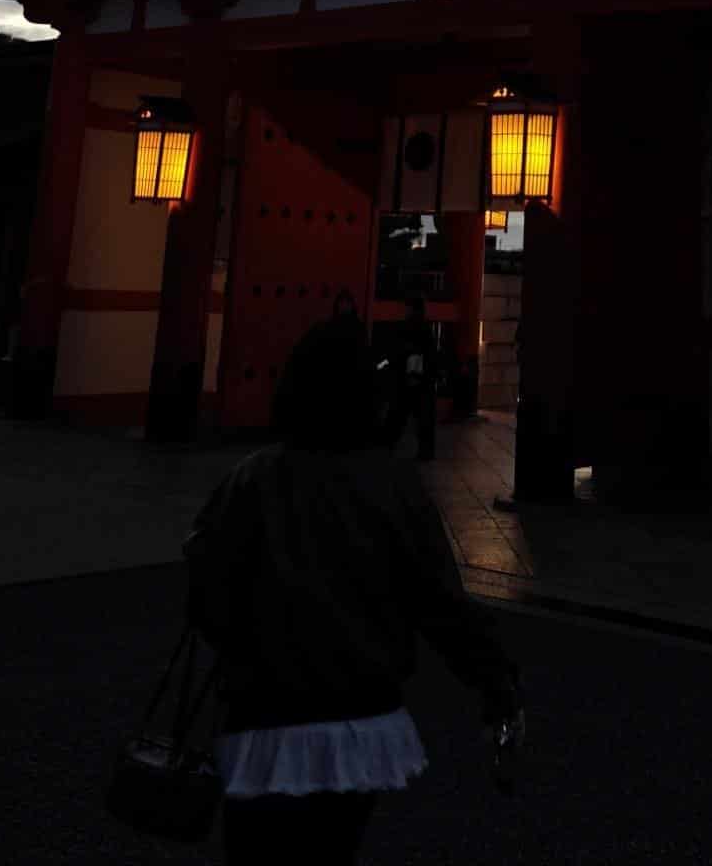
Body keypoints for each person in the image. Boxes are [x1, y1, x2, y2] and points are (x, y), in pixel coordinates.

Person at [185, 322, 522, 864]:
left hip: (266, 710)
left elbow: (204, 589)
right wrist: (494, 678)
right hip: (359, 713)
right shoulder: (395, 487)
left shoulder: (254, 479)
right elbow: (439, 602)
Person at [383, 295, 439, 461]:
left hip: (411, 379)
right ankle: (425, 451)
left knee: (399, 414)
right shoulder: (425, 328)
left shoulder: (411, 327)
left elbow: (408, 352)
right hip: (420, 380)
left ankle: (388, 443)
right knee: (421, 419)